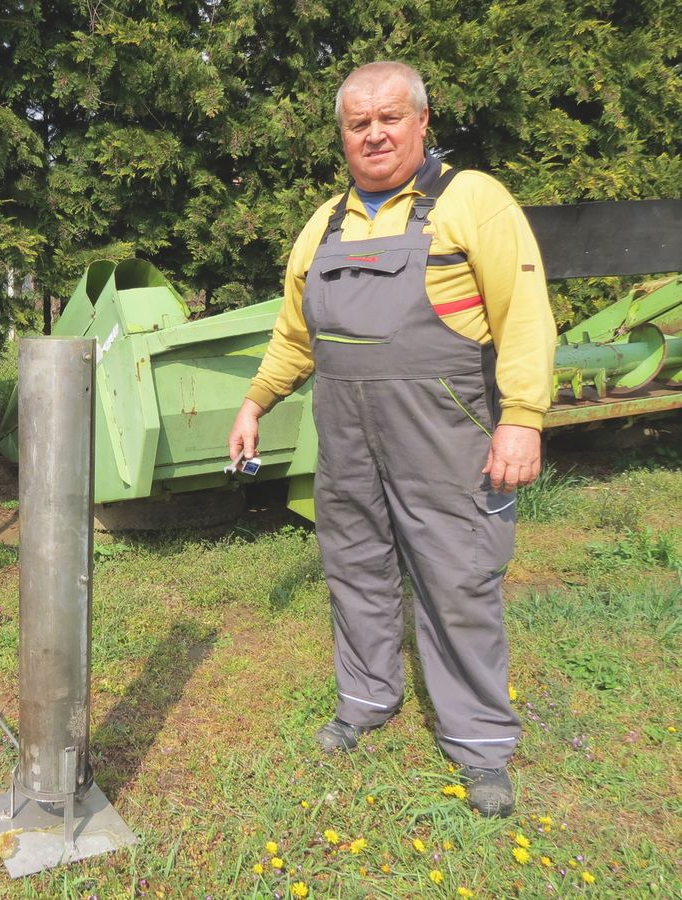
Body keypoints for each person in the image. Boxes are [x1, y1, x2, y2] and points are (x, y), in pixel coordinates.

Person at [227, 60, 556, 818]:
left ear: (421, 123)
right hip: (345, 436)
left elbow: (526, 315)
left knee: (457, 575)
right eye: (357, 123)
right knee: (355, 564)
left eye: (389, 117)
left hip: (445, 434)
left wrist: (522, 417)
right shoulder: (324, 225)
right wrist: (255, 401)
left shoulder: (472, 201)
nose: (374, 133)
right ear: (342, 135)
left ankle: (479, 744)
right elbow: (293, 337)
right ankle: (366, 699)